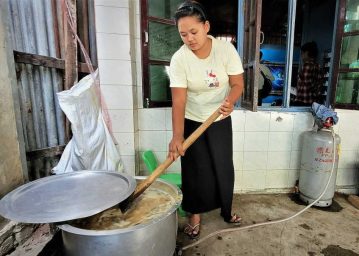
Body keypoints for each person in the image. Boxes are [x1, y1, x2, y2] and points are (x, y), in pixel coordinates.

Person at [168, 0, 244, 239]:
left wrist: (230, 101)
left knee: (222, 166)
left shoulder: (225, 50)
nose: (189, 38)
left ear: (206, 26)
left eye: (193, 31)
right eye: (183, 34)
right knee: (194, 170)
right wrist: (177, 136)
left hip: (219, 117)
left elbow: (237, 83)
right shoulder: (180, 59)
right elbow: (179, 101)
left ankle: (226, 210)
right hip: (192, 119)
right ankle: (195, 215)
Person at [292, 41, 323, 106]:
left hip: (303, 101)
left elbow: (305, 85)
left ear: (307, 53)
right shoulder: (318, 66)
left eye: (302, 53)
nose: (301, 56)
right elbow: (317, 87)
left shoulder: (307, 66)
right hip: (313, 102)